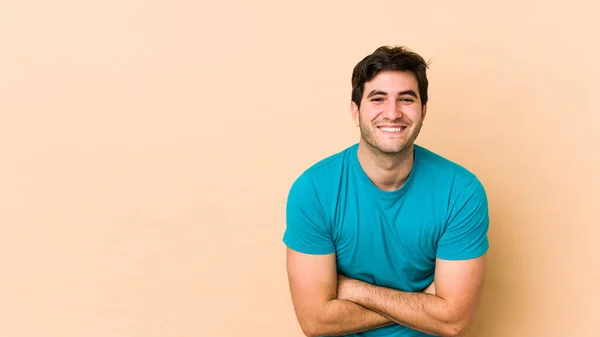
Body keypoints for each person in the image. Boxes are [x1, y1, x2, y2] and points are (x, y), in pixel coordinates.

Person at [282, 45, 490, 337]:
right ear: (356, 111)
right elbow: (316, 321)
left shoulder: (461, 191)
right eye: (378, 99)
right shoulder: (314, 190)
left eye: (406, 99)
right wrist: (425, 302)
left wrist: (357, 290)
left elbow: (452, 321)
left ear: (423, 111)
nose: (392, 113)